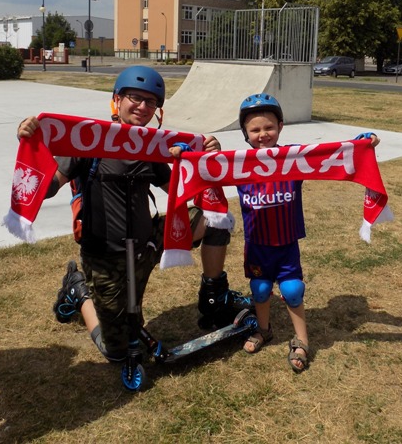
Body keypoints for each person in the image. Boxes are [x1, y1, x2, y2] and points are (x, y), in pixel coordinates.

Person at [17, 65, 249, 364]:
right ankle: (78, 290)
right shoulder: (87, 141)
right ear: (117, 99)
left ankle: (214, 296)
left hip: (147, 243)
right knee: (117, 351)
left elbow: (184, 189)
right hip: (106, 255)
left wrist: (205, 157)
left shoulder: (149, 147)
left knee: (216, 219)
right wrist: (31, 144)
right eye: (134, 98)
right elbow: (47, 187)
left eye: (150, 102)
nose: (142, 106)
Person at [235, 93, 379, 372]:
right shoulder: (237, 163)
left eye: (269, 127)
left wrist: (359, 144)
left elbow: (328, 154)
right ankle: (263, 330)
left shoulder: (294, 159)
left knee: (292, 290)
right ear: (245, 133)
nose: (263, 134)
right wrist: (191, 147)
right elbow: (203, 160)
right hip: (257, 244)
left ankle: (301, 340)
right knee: (260, 289)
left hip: (286, 242)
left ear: (280, 126)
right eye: (255, 129)